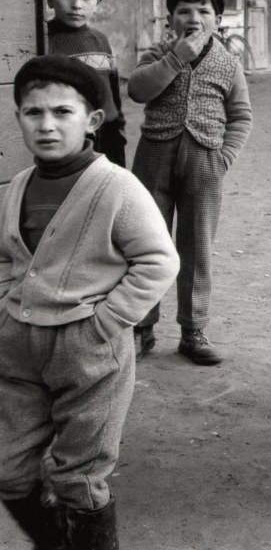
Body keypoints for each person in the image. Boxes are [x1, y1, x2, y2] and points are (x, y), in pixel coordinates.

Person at [0, 56, 178, 549]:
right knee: (9, 470)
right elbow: (7, 256)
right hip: (18, 347)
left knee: (79, 478)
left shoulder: (115, 187)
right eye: (33, 113)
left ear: (92, 121)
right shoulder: (17, 187)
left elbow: (158, 261)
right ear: (19, 119)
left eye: (62, 112)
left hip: (89, 353)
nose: (47, 125)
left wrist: (104, 324)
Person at [128, 0, 252, 365]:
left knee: (197, 247)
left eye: (203, 11)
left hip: (204, 162)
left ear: (218, 20)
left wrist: (224, 157)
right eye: (184, 11)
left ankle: (193, 330)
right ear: (170, 20)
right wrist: (175, 58)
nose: (194, 18)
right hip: (153, 159)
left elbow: (241, 117)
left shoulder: (229, 64)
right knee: (146, 245)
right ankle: (141, 329)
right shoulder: (156, 55)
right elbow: (137, 90)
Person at [45, 0, 127, 167]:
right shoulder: (42, 40)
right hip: (65, 138)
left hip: (107, 137)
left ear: (98, 3)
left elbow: (113, 94)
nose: (76, 5)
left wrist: (118, 132)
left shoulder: (101, 41)